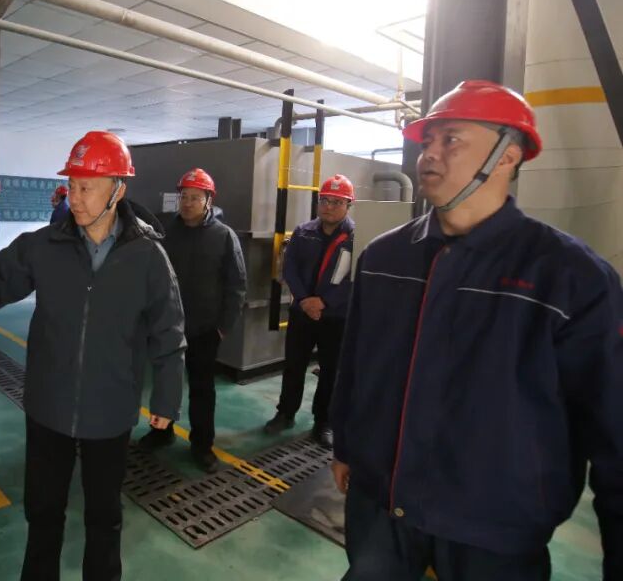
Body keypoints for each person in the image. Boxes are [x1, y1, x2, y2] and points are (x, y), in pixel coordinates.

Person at [330, 80, 623, 580]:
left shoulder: (570, 278)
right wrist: (345, 446)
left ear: (508, 155)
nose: (430, 154)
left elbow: (613, 427)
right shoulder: (384, 258)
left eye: (452, 139)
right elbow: (354, 365)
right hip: (381, 506)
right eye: (428, 140)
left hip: (494, 529)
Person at [0, 131, 185, 581]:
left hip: (111, 411)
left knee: (104, 520)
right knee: (42, 515)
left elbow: (168, 331)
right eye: (71, 185)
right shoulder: (44, 246)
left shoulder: (148, 257)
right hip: (48, 407)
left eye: (85, 187)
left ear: (118, 190)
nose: (74, 198)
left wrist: (167, 399)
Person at [137, 168, 246, 472]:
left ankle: (202, 445)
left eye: (195, 197)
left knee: (202, 389)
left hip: (204, 329)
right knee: (164, 383)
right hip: (166, 325)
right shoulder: (166, 232)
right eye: (183, 196)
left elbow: (236, 285)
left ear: (209, 200)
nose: (187, 203)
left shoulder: (224, 236)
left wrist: (223, 327)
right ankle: (162, 432)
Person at [264, 174, 356, 449]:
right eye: (324, 200)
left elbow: (354, 278)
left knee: (331, 370)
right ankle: (286, 413)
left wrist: (324, 302)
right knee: (294, 365)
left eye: (337, 202)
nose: (329, 206)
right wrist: (305, 300)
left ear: (348, 205)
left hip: (336, 316)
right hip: (302, 313)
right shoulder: (303, 232)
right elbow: (289, 267)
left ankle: (323, 422)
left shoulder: (356, 237)